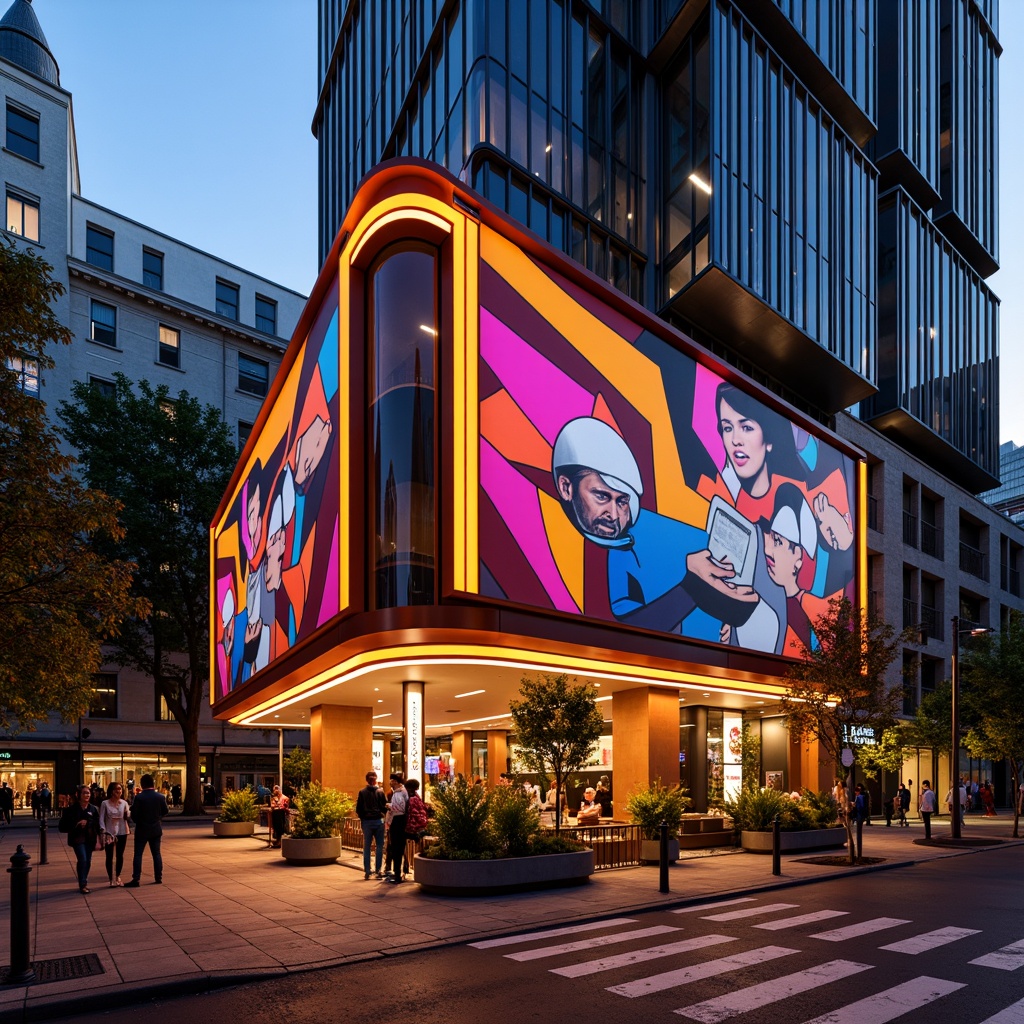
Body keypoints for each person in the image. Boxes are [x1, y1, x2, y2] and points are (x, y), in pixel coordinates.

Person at [123, 773, 168, 887]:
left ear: (142, 785)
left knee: (138, 854)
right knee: (156, 854)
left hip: (142, 829)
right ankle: (158, 877)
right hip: (156, 828)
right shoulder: (160, 797)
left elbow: (134, 814)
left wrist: (138, 820)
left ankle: (136, 879)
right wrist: (158, 817)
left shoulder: (139, 797)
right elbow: (165, 811)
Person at [59, 784, 101, 894]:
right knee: (82, 858)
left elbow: (97, 823)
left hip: (90, 838)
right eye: (84, 793)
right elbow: (62, 826)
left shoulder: (93, 809)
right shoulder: (71, 810)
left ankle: (84, 879)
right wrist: (76, 824)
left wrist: (88, 823)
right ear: (78, 795)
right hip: (77, 838)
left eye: (88, 793)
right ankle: (83, 883)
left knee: (88, 860)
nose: (87, 795)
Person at [99, 782, 131, 887]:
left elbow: (128, 815)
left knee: (120, 855)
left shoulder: (124, 803)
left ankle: (117, 876)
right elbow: (101, 818)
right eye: (116, 789)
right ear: (111, 791)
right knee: (109, 855)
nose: (119, 791)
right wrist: (103, 831)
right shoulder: (105, 803)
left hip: (122, 831)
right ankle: (111, 878)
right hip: (109, 831)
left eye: (120, 789)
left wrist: (129, 815)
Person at [355, 771, 386, 879]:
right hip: (379, 821)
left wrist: (363, 818)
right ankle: (378, 870)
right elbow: (384, 807)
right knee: (379, 847)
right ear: (375, 779)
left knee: (367, 847)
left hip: (367, 822)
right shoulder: (380, 792)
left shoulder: (362, 792)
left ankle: (367, 870)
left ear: (367, 780)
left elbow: (358, 808)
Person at [384, 773, 408, 883]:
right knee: (398, 848)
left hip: (397, 821)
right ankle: (397, 872)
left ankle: (397, 874)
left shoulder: (399, 793)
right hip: (399, 821)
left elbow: (399, 808)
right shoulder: (400, 792)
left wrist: (389, 806)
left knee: (396, 847)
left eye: (392, 780)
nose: (390, 782)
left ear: (397, 782)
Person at [403, 778, 429, 874]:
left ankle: (407, 866)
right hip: (420, 826)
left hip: (410, 827)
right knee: (418, 847)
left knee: (405, 847)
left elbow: (408, 812)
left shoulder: (409, 798)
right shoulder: (417, 797)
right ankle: (417, 867)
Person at [852, 784, 868, 858]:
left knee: (858, 831)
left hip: (859, 815)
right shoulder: (861, 797)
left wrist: (855, 806)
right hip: (860, 815)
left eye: (856, 792)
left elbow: (861, 806)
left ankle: (859, 853)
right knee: (858, 831)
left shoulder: (859, 797)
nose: (855, 793)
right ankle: (859, 853)